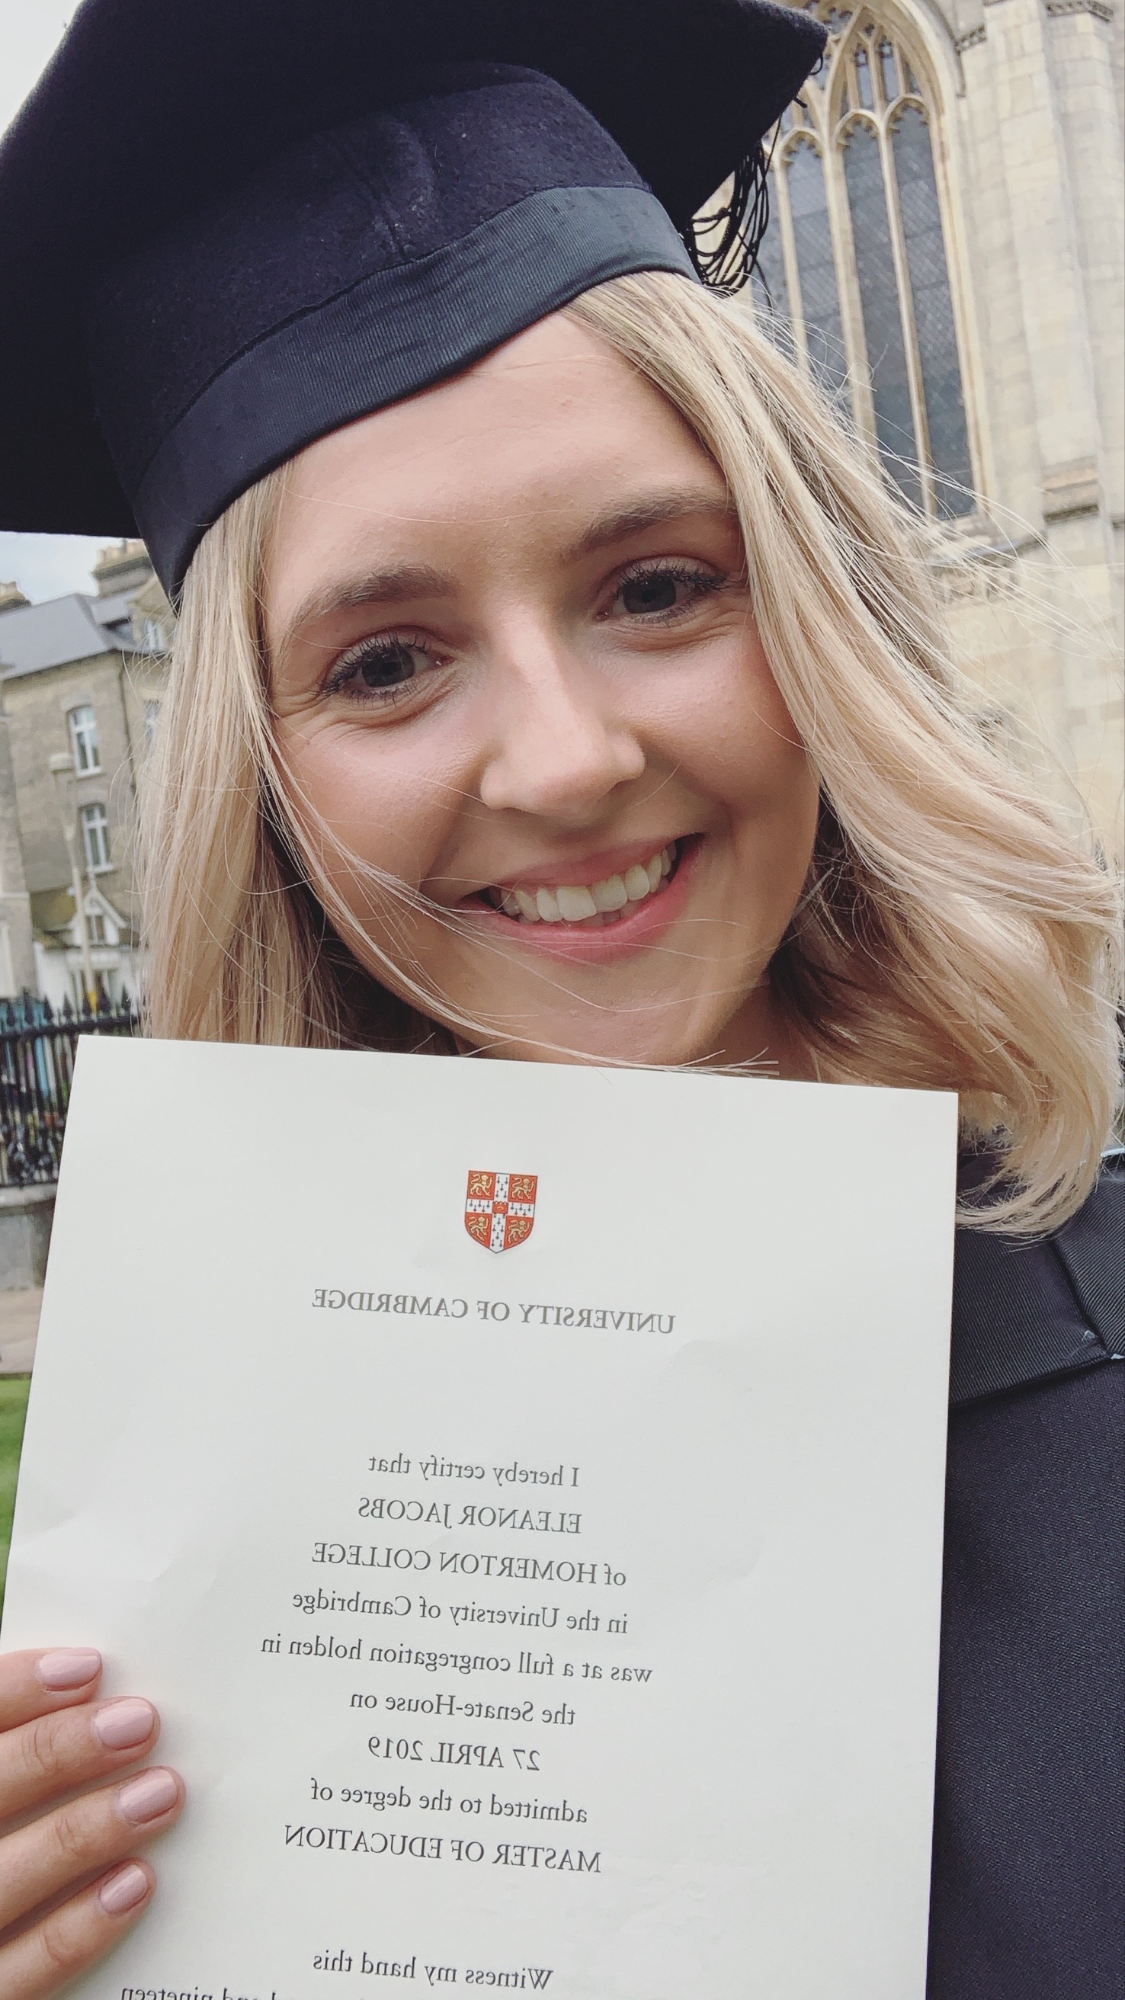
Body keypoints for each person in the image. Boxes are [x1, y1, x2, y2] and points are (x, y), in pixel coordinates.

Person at [0, 1, 1120, 1992]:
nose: (565, 759)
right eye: (383, 661)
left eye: (657, 586)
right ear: (253, 777)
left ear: (815, 607)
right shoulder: (170, 1561)